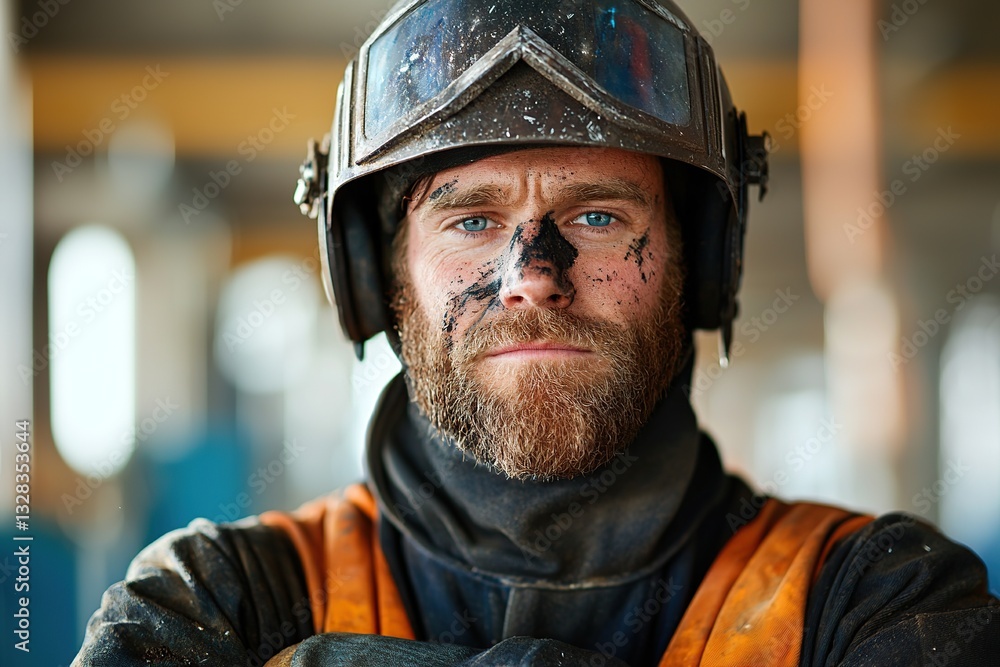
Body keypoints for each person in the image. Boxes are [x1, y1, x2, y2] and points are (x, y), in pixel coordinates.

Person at [75, 1, 999, 665]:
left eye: (598, 217)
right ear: (380, 279)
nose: (532, 278)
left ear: (698, 265)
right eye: (471, 220)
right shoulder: (211, 601)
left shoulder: (879, 597)